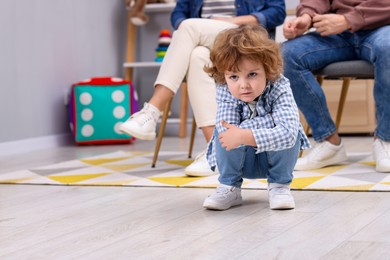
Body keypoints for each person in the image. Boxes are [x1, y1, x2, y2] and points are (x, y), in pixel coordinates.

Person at [119, 0, 286, 177]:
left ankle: (152, 110)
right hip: (205, 38)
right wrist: (204, 25)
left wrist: (233, 22)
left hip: (246, 36)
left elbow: (277, 12)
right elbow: (178, 14)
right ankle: (216, 150)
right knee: (198, 55)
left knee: (188, 27)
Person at [202, 24, 310, 211]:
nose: (243, 85)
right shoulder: (225, 89)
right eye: (234, 77)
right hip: (242, 160)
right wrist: (268, 123)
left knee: (293, 133)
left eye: (252, 74)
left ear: (267, 70)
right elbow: (228, 133)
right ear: (224, 76)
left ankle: (279, 186)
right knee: (223, 134)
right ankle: (229, 187)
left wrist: (244, 134)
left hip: (275, 157)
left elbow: (288, 134)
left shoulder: (280, 86)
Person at [282, 0, 390, 172]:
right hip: (337, 33)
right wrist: (306, 17)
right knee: (286, 55)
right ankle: (328, 141)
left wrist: (349, 19)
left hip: (382, 27)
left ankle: (386, 139)